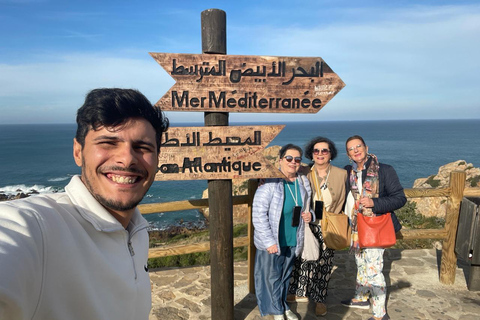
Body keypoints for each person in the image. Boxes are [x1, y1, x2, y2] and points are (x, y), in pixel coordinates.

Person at [0, 88, 169, 320]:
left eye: (143, 147)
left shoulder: (137, 230)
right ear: (78, 152)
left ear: (157, 158)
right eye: (108, 143)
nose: (127, 158)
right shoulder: (38, 228)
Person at [341, 135, 406, 320]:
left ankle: (380, 314)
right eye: (351, 148)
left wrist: (374, 203)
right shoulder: (348, 172)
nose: (356, 150)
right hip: (356, 229)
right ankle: (361, 298)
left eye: (358, 146)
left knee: (373, 271)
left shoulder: (384, 170)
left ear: (366, 147)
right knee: (361, 264)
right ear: (348, 154)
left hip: (375, 227)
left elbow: (400, 198)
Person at [252, 144, 314, 320]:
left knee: (285, 276)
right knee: (272, 277)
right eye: (289, 158)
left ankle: (283, 304)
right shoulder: (270, 182)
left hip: (293, 237)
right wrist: (268, 241)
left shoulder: (303, 181)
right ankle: (277, 310)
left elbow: (308, 205)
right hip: (273, 240)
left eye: (297, 159)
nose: (293, 162)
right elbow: (258, 213)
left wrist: (311, 215)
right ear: (280, 160)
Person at [288, 137, 347, 316]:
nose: (320, 154)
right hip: (307, 222)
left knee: (325, 263)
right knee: (303, 259)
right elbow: (284, 173)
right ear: (311, 153)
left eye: (324, 151)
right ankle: (298, 291)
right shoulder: (304, 170)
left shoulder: (341, 174)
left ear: (331, 154)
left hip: (329, 225)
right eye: (316, 151)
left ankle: (320, 299)